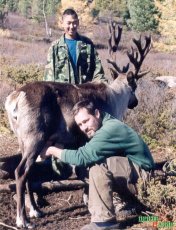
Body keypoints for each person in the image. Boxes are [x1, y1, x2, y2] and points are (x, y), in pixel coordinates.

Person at [43, 99, 155, 230]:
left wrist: (51, 150)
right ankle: (131, 203)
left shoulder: (110, 129)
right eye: (80, 124)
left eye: (86, 121)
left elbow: (81, 156)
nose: (84, 127)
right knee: (88, 166)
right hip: (137, 176)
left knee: (97, 166)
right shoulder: (104, 126)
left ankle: (104, 222)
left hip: (146, 180)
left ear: (96, 114)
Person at [44, 8, 106, 84]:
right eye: (68, 23)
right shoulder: (55, 47)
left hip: (84, 93)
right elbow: (49, 78)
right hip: (63, 94)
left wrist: (101, 87)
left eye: (74, 22)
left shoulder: (87, 44)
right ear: (62, 23)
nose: (72, 26)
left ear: (78, 22)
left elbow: (98, 72)